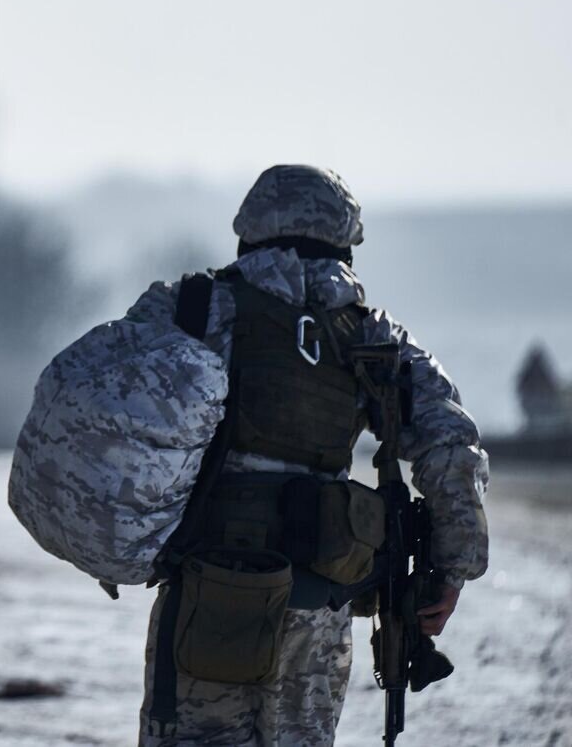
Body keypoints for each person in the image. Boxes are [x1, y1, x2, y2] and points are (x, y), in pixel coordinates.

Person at [129, 166, 490, 746]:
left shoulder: (196, 310)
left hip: (204, 600)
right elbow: (452, 447)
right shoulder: (372, 335)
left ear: (249, 234)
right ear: (343, 242)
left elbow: (116, 419)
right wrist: (452, 570)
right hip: (316, 609)